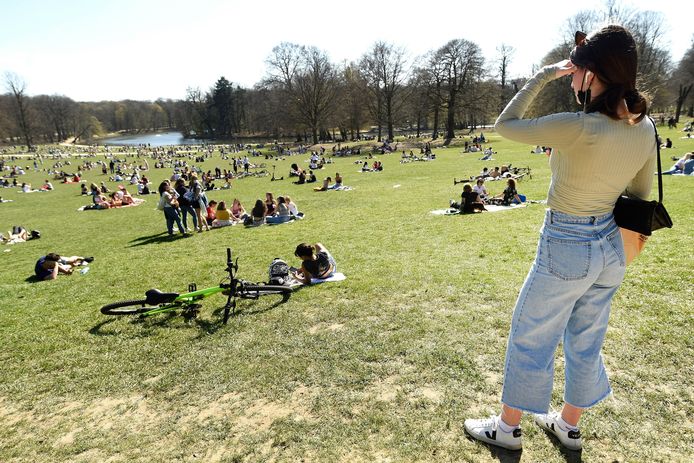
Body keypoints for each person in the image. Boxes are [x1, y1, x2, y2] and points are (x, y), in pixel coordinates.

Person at [464, 25, 656, 452]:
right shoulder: (646, 128)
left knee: (531, 334)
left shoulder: (578, 125)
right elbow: (640, 195)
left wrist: (543, 74)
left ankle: (508, 429)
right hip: (611, 246)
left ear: (591, 75)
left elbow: (505, 124)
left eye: (575, 70)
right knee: (586, 337)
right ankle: (568, 425)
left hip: (567, 241)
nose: (570, 78)